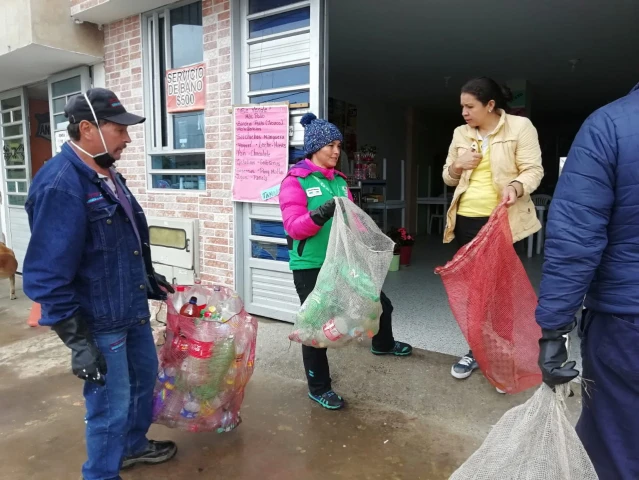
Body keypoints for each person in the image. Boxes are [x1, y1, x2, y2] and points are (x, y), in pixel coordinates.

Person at [22, 88, 177, 480]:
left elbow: (120, 239)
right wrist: (77, 342)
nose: (127, 138)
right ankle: (101, 473)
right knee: (110, 403)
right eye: (119, 129)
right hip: (100, 320)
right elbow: (46, 274)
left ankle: (132, 446)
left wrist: (146, 277)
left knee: (144, 380)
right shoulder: (60, 185)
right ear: (87, 128)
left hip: (130, 308)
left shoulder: (106, 174)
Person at [536, 82, 639, 479]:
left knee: (619, 444)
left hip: (626, 324)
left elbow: (576, 239)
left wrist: (553, 331)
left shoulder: (610, 125)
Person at [280, 113, 413, 410]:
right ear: (315, 147)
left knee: (379, 303)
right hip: (311, 265)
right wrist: (322, 212)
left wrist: (373, 236)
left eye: (339, 145)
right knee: (314, 329)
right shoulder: (294, 182)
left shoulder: (339, 182)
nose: (337, 152)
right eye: (331, 146)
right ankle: (319, 387)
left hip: (343, 259)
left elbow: (352, 221)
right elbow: (293, 227)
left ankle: (383, 344)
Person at [442, 77, 544, 384]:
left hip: (500, 220)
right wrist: (458, 165)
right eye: (461, 106)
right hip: (466, 221)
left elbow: (533, 169)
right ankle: (476, 350)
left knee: (500, 291)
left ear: (490, 105)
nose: (464, 113)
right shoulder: (461, 133)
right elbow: (448, 177)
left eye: (469, 106)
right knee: (475, 291)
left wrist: (516, 185)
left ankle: (502, 356)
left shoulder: (519, 128)